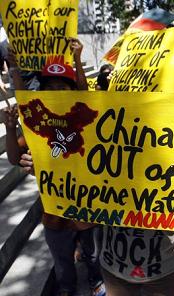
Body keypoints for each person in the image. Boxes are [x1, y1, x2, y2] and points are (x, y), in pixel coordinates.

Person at [5, 39, 106, 296]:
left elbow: (85, 94)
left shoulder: (84, 120)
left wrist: (78, 61)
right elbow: (16, 157)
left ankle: (96, 280)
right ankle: (67, 288)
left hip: (86, 204)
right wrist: (9, 127)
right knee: (61, 258)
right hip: (53, 209)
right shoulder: (40, 125)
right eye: (51, 86)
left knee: (92, 253)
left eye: (64, 85)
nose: (58, 90)